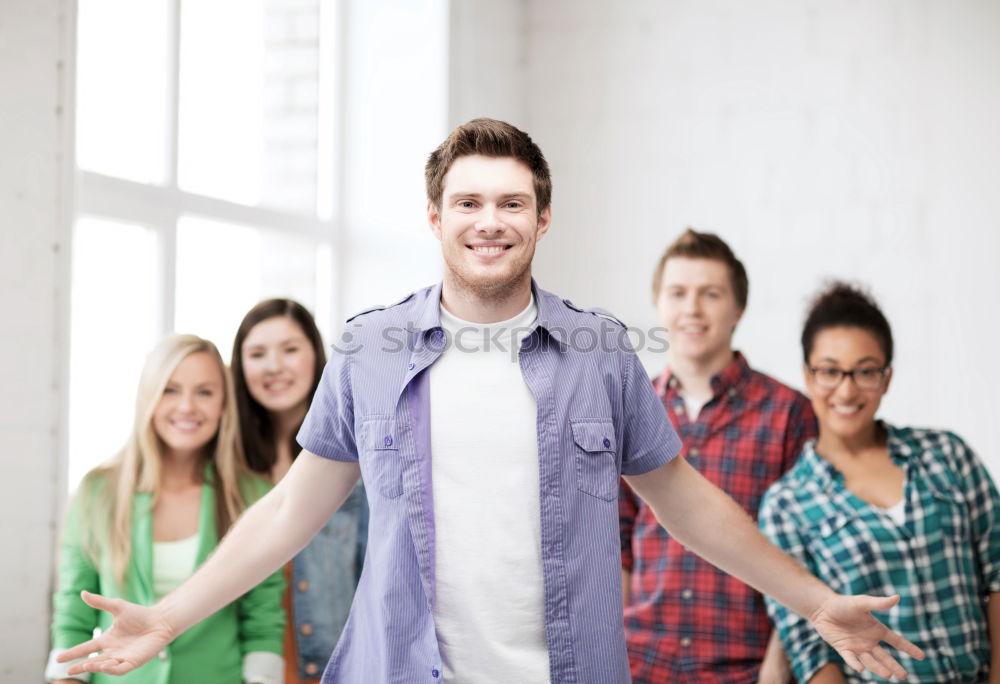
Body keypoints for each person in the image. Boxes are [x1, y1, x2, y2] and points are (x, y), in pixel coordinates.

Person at [59, 119, 924, 684]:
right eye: (468, 201)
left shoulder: (599, 353)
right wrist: (168, 617)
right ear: (434, 216)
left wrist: (815, 601)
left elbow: (686, 501)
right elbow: (291, 511)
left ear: (544, 219)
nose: (490, 220)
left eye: (512, 202)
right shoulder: (370, 349)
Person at [759, 282, 1000, 683]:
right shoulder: (786, 505)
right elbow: (810, 649)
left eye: (866, 371)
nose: (847, 389)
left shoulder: (947, 454)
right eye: (830, 371)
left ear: (886, 378)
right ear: (807, 376)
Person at [619, 229, 817, 683]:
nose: (692, 309)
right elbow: (618, 546)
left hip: (744, 670)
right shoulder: (631, 407)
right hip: (642, 666)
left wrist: (774, 674)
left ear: (738, 309)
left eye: (710, 294)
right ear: (659, 305)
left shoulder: (788, 413)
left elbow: (803, 554)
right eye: (678, 293)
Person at [46, 334, 284, 684]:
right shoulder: (98, 491)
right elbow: (73, 615)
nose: (187, 406)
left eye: (205, 392)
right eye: (170, 390)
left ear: (223, 404)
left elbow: (263, 617)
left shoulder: (251, 494)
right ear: (148, 398)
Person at [232, 299, 368, 682]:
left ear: (316, 354)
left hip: (330, 668)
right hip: (246, 668)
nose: (274, 366)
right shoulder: (229, 466)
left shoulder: (354, 463)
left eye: (290, 349)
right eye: (257, 353)